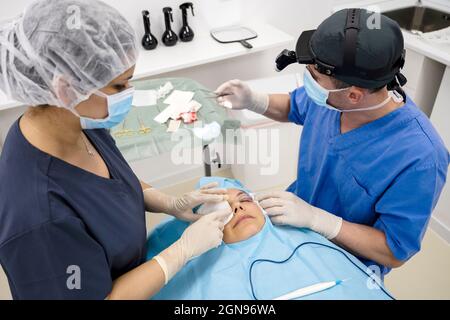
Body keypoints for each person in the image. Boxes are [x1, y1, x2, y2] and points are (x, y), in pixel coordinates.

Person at [0, 0, 231, 300]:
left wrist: (169, 202)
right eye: (120, 86)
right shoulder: (39, 220)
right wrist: (182, 251)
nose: (129, 95)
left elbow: (110, 183)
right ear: (65, 88)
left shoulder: (78, 123)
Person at [215, 9, 450, 277]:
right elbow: (294, 106)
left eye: (314, 78)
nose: (308, 82)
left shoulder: (421, 158)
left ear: (353, 96)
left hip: (343, 268)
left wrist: (321, 221)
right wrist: (253, 100)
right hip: (293, 231)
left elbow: (393, 250)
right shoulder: (331, 98)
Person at [146, 177, 393, 300]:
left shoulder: (300, 233)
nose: (238, 209)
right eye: (222, 209)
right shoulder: (202, 276)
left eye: (243, 199)